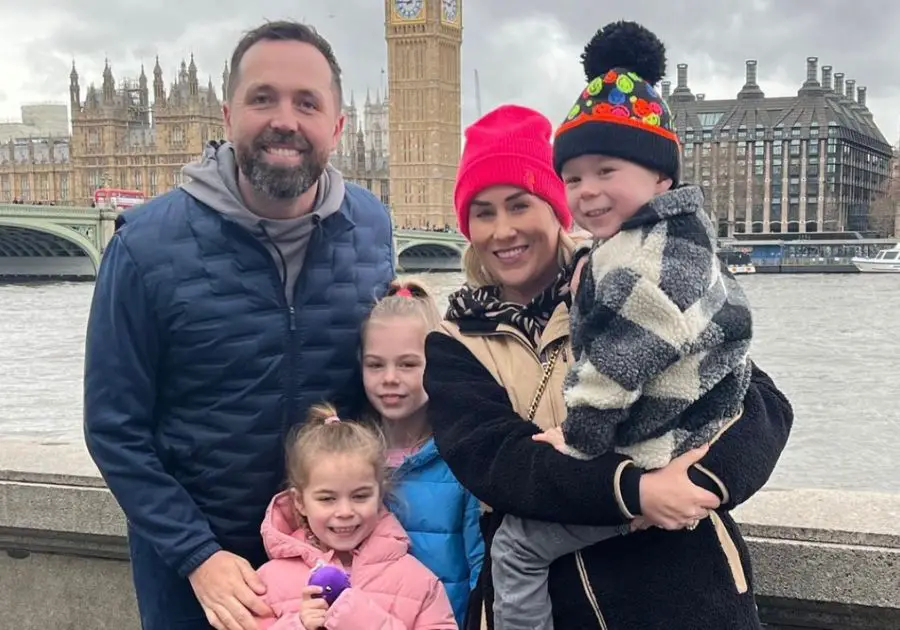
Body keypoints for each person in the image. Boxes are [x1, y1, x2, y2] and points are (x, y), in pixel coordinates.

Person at [422, 100, 793, 629]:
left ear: (556, 207)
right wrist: (636, 491)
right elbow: (498, 465)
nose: (503, 230)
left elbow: (759, 404)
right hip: (558, 606)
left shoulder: (634, 282)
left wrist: (699, 485)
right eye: (484, 212)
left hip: (688, 593)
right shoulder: (453, 343)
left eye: (520, 204)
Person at [83, 20, 394, 630]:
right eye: (263, 98)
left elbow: (386, 392)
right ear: (226, 116)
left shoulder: (372, 228)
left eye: (307, 102)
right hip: (201, 576)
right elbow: (113, 428)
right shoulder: (145, 247)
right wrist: (196, 555)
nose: (285, 120)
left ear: (336, 125)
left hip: (334, 560)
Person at [488, 21, 755, 630]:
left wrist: (579, 440)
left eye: (606, 172)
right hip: (681, 441)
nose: (586, 192)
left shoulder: (639, 264)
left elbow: (617, 366)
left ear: (660, 176)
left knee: (516, 548)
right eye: (573, 179)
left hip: (654, 456)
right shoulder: (672, 245)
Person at [253, 404, 457, 629]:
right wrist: (297, 625)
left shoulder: (418, 581)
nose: (345, 512)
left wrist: (365, 621)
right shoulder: (267, 582)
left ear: (379, 495)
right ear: (300, 502)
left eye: (360, 496)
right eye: (327, 499)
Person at [360, 279, 484, 626]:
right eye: (375, 365)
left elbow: (481, 568)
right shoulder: (350, 457)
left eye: (408, 365)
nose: (389, 378)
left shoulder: (460, 462)